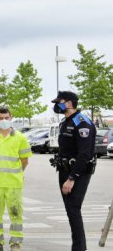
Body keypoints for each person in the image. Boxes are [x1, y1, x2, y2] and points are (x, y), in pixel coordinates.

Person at [51, 91, 96, 251]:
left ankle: (79, 248)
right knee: (71, 211)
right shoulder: (65, 121)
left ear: (69, 103)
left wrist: (71, 178)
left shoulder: (82, 122)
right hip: (64, 170)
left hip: (77, 173)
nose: (57, 105)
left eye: (60, 102)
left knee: (73, 210)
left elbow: (84, 154)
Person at [0, 107, 32, 251]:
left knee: (16, 213)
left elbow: (25, 160)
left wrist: (17, 174)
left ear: (11, 117)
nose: (4, 120)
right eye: (1, 118)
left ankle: (15, 243)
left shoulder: (20, 137)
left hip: (14, 183)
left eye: (6, 117)